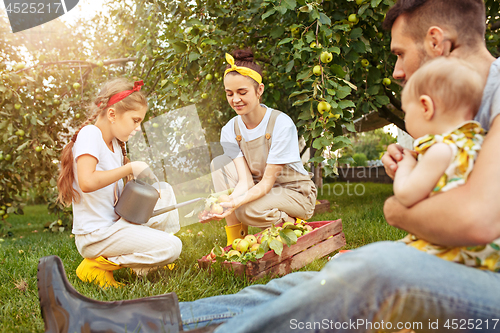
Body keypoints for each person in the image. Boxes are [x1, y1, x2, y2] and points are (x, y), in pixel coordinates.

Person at [38, 0, 500, 332]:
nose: (397, 71)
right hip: (452, 263)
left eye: (399, 53)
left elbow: (475, 219)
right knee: (303, 283)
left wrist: (399, 209)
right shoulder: (453, 113)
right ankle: (109, 322)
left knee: (377, 266)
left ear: (436, 41)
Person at [57, 78, 182, 288]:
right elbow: (87, 182)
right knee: (173, 248)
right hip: (97, 236)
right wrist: (129, 168)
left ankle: (145, 263)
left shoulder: (115, 143)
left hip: (116, 226)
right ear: (112, 114)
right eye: (135, 120)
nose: (137, 127)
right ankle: (97, 266)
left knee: (164, 191)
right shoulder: (90, 135)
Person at [393, 56, 500, 270]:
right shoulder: (482, 142)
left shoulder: (442, 149)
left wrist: (406, 164)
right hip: (487, 255)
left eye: (406, 111)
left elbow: (405, 194)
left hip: (455, 251)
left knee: (378, 260)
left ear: (426, 107)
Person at [208, 50, 317, 246]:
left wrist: (236, 203)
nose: (235, 99)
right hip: (263, 190)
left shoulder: (281, 123)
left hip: (295, 192)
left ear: (259, 90)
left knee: (247, 210)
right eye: (229, 93)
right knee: (219, 164)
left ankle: (292, 224)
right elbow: (246, 181)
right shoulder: (229, 130)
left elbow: (267, 182)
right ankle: (237, 242)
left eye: (242, 92)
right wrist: (228, 202)